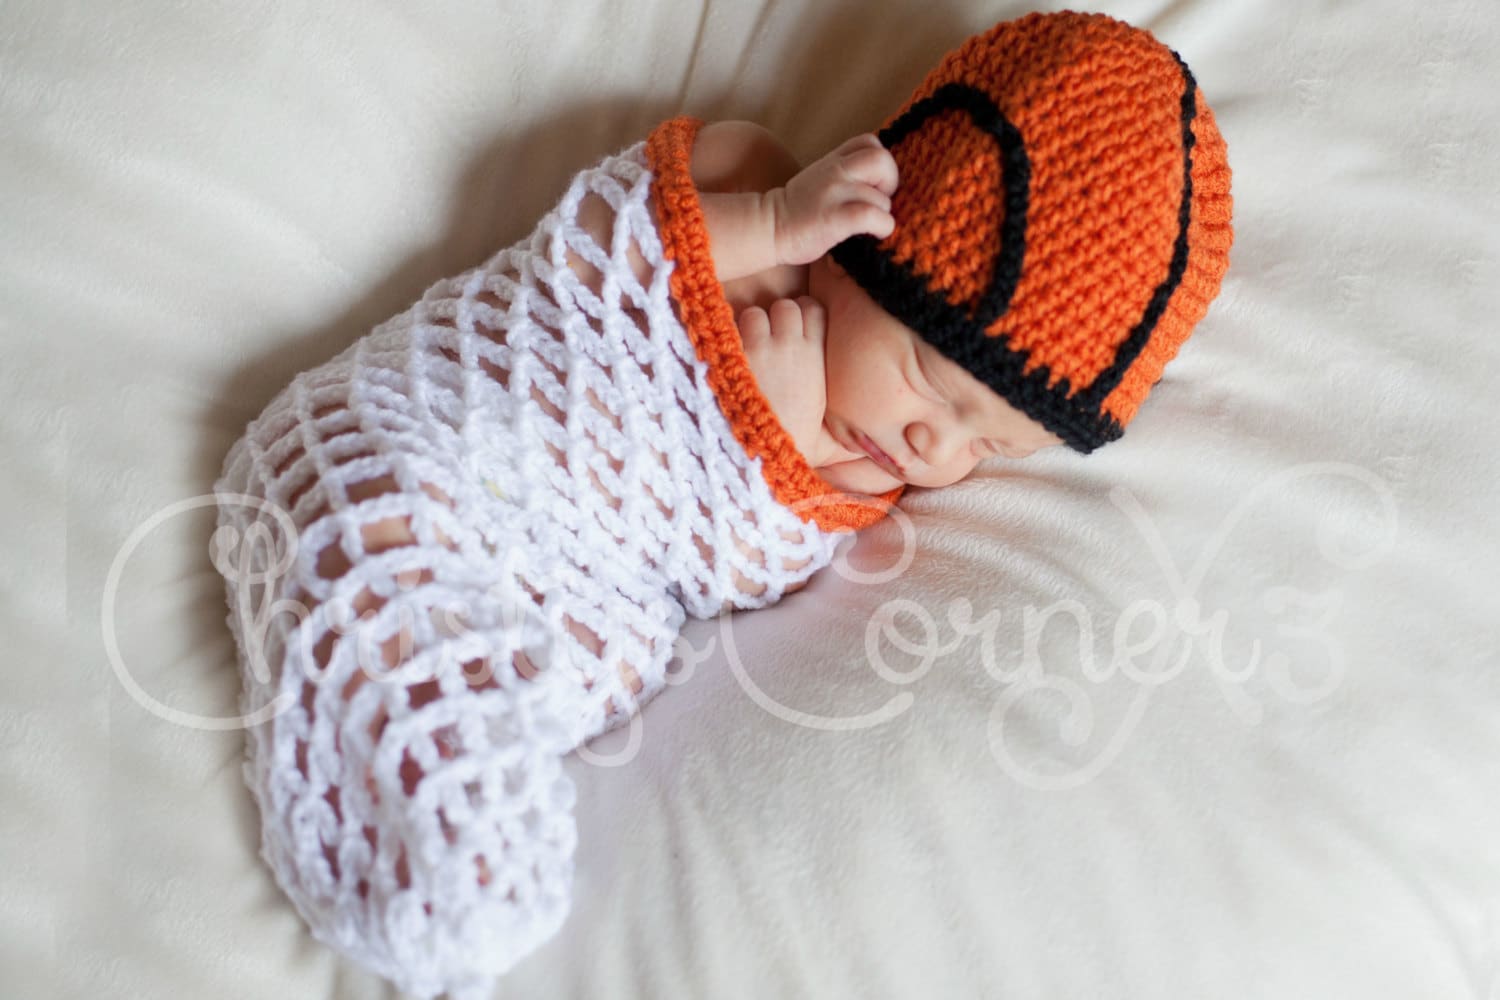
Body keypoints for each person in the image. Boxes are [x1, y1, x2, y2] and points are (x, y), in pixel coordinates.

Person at [213, 10, 1231, 998]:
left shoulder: (859, 477)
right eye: (928, 373)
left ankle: (445, 844)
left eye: (991, 442)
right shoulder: (751, 193)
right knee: (380, 558)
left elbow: (726, 576)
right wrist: (772, 225)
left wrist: (774, 446)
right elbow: (588, 251)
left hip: (559, 587)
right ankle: (406, 755)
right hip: (438, 447)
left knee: (479, 702)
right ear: (865, 236)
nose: (936, 443)